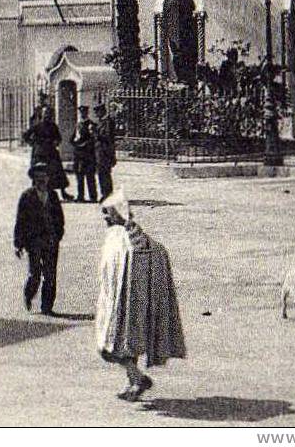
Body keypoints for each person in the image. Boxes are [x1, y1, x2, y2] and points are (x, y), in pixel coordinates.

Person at [95, 188, 186, 401]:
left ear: (116, 214)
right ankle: (133, 380)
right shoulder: (132, 236)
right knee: (127, 345)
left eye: (108, 213)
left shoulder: (125, 239)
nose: (105, 218)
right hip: (132, 301)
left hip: (126, 302)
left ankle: (137, 379)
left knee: (110, 346)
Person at [14, 161, 65, 315]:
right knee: (35, 273)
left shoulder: (53, 196)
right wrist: (18, 244)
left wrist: (57, 235)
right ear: (34, 179)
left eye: (45, 177)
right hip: (34, 241)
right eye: (39, 178)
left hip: (50, 241)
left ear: (49, 179)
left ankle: (47, 307)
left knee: (50, 274)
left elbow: (59, 219)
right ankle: (29, 294)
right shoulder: (27, 196)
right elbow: (20, 221)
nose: (42, 180)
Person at [23, 105, 72, 200]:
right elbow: (26, 136)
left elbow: (58, 138)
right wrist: (33, 144)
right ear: (42, 114)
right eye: (45, 113)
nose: (47, 115)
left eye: (48, 113)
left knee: (58, 173)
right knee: (38, 173)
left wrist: (56, 142)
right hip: (40, 153)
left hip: (51, 152)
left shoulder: (53, 126)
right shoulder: (37, 126)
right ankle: (36, 193)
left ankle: (63, 192)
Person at [72, 105, 98, 203]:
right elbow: (73, 137)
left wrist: (82, 144)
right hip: (78, 154)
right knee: (79, 175)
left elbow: (92, 139)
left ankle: (93, 196)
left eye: (84, 112)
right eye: (81, 112)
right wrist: (74, 143)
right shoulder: (78, 124)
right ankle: (80, 196)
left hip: (88, 154)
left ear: (87, 113)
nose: (82, 114)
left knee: (90, 176)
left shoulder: (91, 124)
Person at [93, 101, 117, 201]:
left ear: (102, 111)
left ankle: (108, 195)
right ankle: (104, 194)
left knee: (105, 175)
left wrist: (95, 133)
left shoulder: (108, 122)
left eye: (97, 112)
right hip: (99, 153)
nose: (96, 114)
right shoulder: (101, 122)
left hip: (105, 153)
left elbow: (107, 137)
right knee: (101, 175)